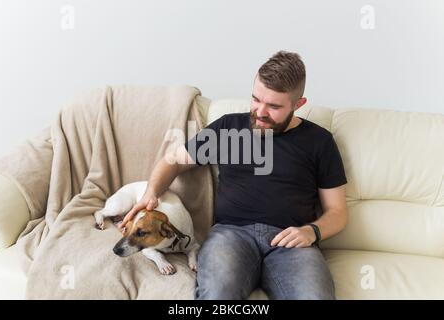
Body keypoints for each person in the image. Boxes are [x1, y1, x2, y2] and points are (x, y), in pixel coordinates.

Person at [119, 51, 348, 300]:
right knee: (217, 295)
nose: (260, 112)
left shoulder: (319, 141)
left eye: (273, 106)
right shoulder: (229, 127)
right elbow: (171, 161)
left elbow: (337, 211)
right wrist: (151, 192)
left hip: (291, 242)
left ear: (298, 104)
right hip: (231, 235)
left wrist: (311, 231)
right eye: (256, 99)